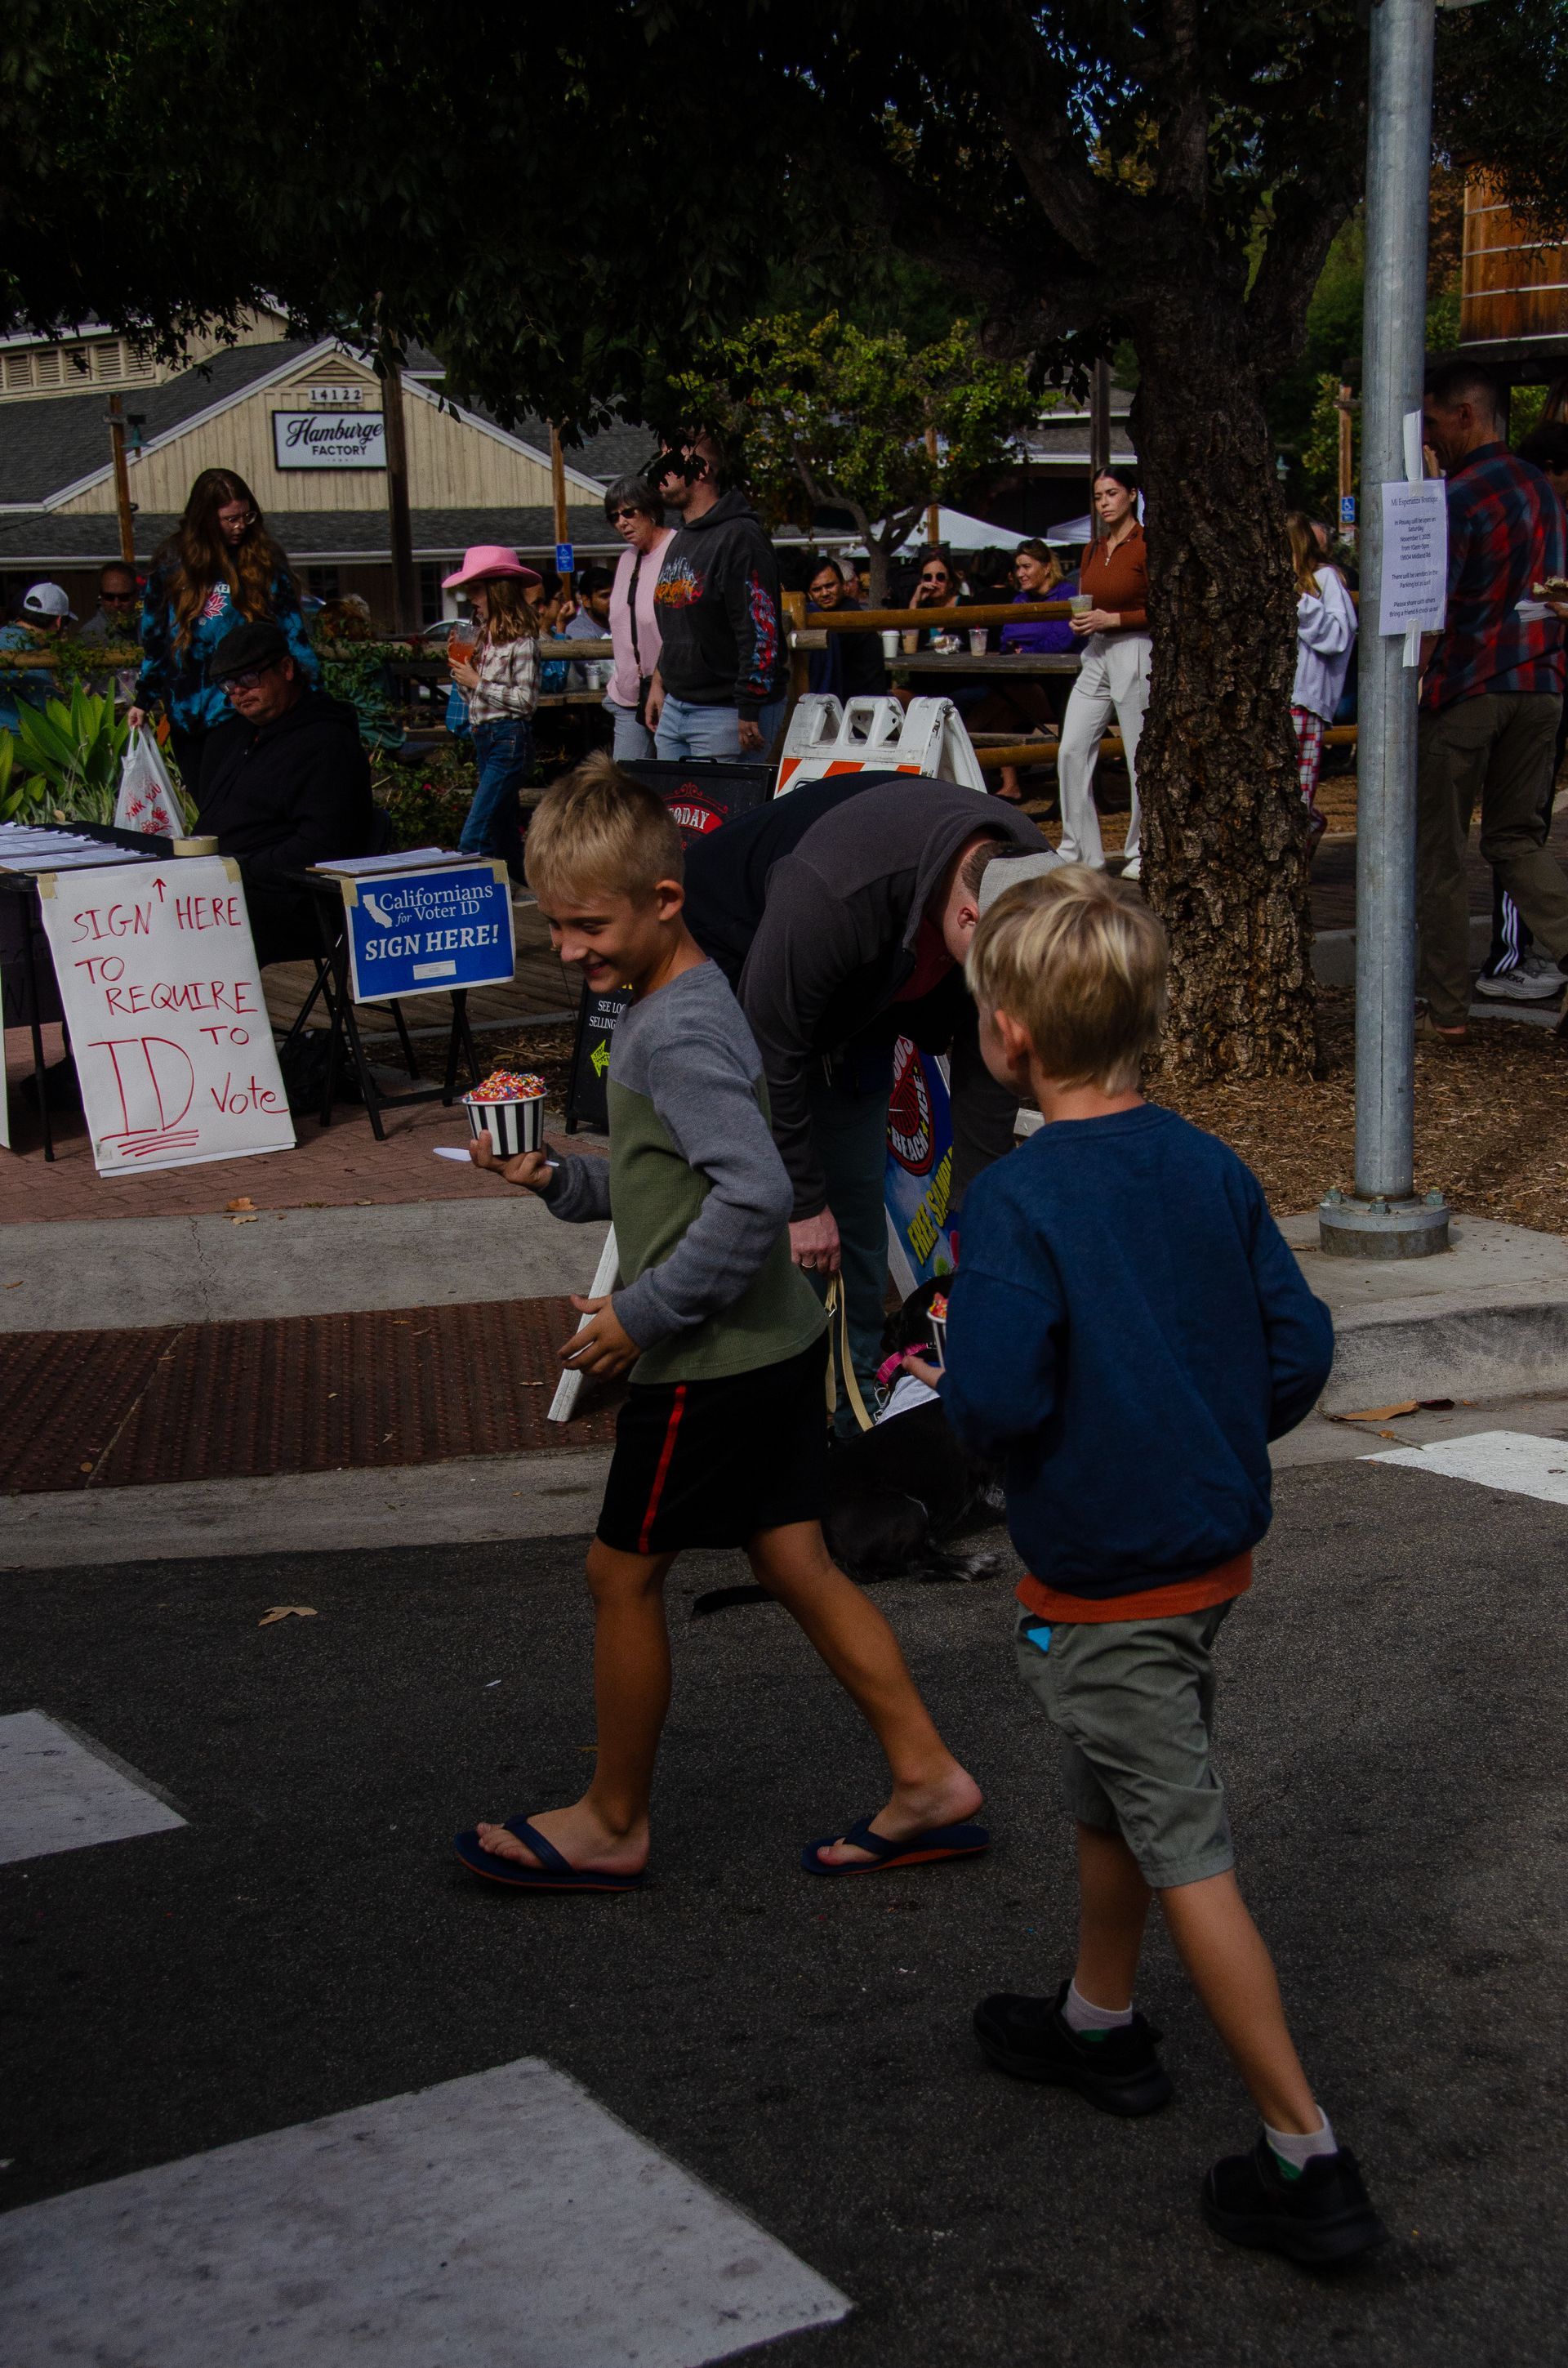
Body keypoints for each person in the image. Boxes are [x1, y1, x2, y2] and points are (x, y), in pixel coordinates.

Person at [920, 864, 1384, 2268]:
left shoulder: (1014, 1202)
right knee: (1119, 1781)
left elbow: (994, 1396)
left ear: (1008, 1034)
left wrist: (950, 1368)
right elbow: (1297, 1346)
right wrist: (1197, 1424)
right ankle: (1097, 2019)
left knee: (1184, 1840)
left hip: (1104, 1565)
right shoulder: (1208, 1162)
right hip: (1206, 1547)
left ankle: (1307, 2152)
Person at [452, 754, 987, 1890]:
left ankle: (611, 1817)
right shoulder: (685, 1000)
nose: (571, 950)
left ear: (664, 899)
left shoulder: (674, 1030)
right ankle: (928, 1775)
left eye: (589, 924)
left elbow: (749, 1195)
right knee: (795, 1558)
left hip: (708, 1360)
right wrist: (565, 1176)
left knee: (619, 1574)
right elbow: (679, 1180)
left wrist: (639, 1317)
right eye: (554, 927)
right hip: (768, 1342)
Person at [681, 770, 1052, 1419]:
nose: (1007, 994)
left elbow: (986, 1062)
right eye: (1001, 975)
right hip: (733, 958)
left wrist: (978, 1211)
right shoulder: (831, 890)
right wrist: (800, 1201)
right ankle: (767, 1394)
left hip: (869, 983)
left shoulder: (1021, 865)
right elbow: (772, 1045)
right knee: (772, 1206)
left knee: (851, 1195)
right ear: (969, 918)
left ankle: (852, 1393)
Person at [1416, 357, 1568, 1041]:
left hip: (1469, 684)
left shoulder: (1456, 497)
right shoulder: (1543, 489)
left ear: (1465, 415)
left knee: (1443, 850)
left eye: (1435, 420)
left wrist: (1415, 681)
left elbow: (1431, 606)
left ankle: (1448, 1011)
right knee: (1516, 838)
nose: (1432, 434)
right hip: (1541, 685)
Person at [127, 468, 318, 797]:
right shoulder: (172, 565)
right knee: (204, 800)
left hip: (240, 703)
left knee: (231, 797)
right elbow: (156, 639)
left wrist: (311, 692)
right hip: (185, 705)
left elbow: (294, 634)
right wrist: (144, 698)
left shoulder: (263, 563)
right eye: (230, 519)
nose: (240, 526)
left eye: (246, 516)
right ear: (205, 519)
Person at [194, 620, 375, 965]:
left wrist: (237, 871)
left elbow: (324, 846)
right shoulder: (244, 734)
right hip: (229, 889)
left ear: (287, 669)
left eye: (249, 679)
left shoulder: (327, 742)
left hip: (296, 903)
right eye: (228, 685)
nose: (238, 693)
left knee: (165, 926)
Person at [1478, 421, 1568, 1001]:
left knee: (1524, 826)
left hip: (1544, 684)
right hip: (1528, 682)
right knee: (1519, 825)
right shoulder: (1529, 523)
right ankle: (1509, 954)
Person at [648, 429, 789, 760]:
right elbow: (677, 627)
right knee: (674, 811)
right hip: (676, 708)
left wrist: (750, 707)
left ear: (701, 470)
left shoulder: (741, 537)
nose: (659, 472)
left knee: (726, 813)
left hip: (727, 713)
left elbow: (760, 631)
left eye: (669, 462)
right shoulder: (682, 539)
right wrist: (659, 683)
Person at [1058, 467, 1152, 879]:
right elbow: (1087, 599)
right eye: (1098, 497)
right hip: (1096, 649)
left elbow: (1163, 608)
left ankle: (1143, 849)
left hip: (1134, 647)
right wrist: (1083, 622)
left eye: (1112, 493)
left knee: (1138, 751)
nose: (1104, 503)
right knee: (1071, 747)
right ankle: (1079, 850)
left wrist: (1112, 619)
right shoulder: (1093, 548)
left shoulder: (1147, 545)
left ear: (1131, 495)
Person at [443, 544, 542, 877]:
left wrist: (477, 679)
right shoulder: (481, 635)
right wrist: (461, 670)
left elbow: (526, 701)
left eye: (475, 589)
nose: (470, 597)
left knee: (477, 831)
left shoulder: (522, 640)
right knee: (500, 827)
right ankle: (522, 887)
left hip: (508, 739)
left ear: (495, 590)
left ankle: (477, 895)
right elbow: (471, 696)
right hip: (485, 737)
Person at [970, 539, 1081, 800]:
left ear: (1046, 567)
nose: (1020, 573)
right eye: (1017, 568)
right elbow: (1008, 636)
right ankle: (1010, 786)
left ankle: (961, 737)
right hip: (1030, 683)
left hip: (1065, 689)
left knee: (1003, 698)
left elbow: (1062, 640)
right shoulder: (1020, 598)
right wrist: (1032, 642)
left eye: (1026, 566)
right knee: (1004, 706)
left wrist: (1028, 648)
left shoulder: (1066, 595)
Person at [1285, 511, 1356, 853]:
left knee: (1297, 790)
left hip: (1305, 699)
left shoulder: (1325, 580)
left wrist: (1301, 605)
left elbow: (1340, 637)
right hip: (1274, 699)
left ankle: (1301, 843)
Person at [602, 476, 674, 760]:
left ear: (650, 509)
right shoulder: (626, 560)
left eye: (629, 512)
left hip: (671, 694)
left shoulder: (677, 550)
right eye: (614, 517)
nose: (622, 522)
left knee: (674, 787)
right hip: (629, 696)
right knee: (626, 787)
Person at [806, 555, 888, 702]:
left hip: (862, 708)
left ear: (844, 585)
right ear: (809, 594)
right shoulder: (827, 616)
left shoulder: (847, 616)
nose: (825, 593)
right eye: (817, 589)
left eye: (830, 585)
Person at [0, 583, 72, 737]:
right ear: (59, 622)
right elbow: (50, 704)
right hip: (18, 744)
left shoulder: (4, 636)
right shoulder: (32, 654)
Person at [77, 562, 141, 648]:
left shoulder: (149, 630)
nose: (117, 604)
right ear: (101, 595)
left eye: (124, 597)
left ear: (136, 595)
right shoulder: (91, 636)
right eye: (109, 597)